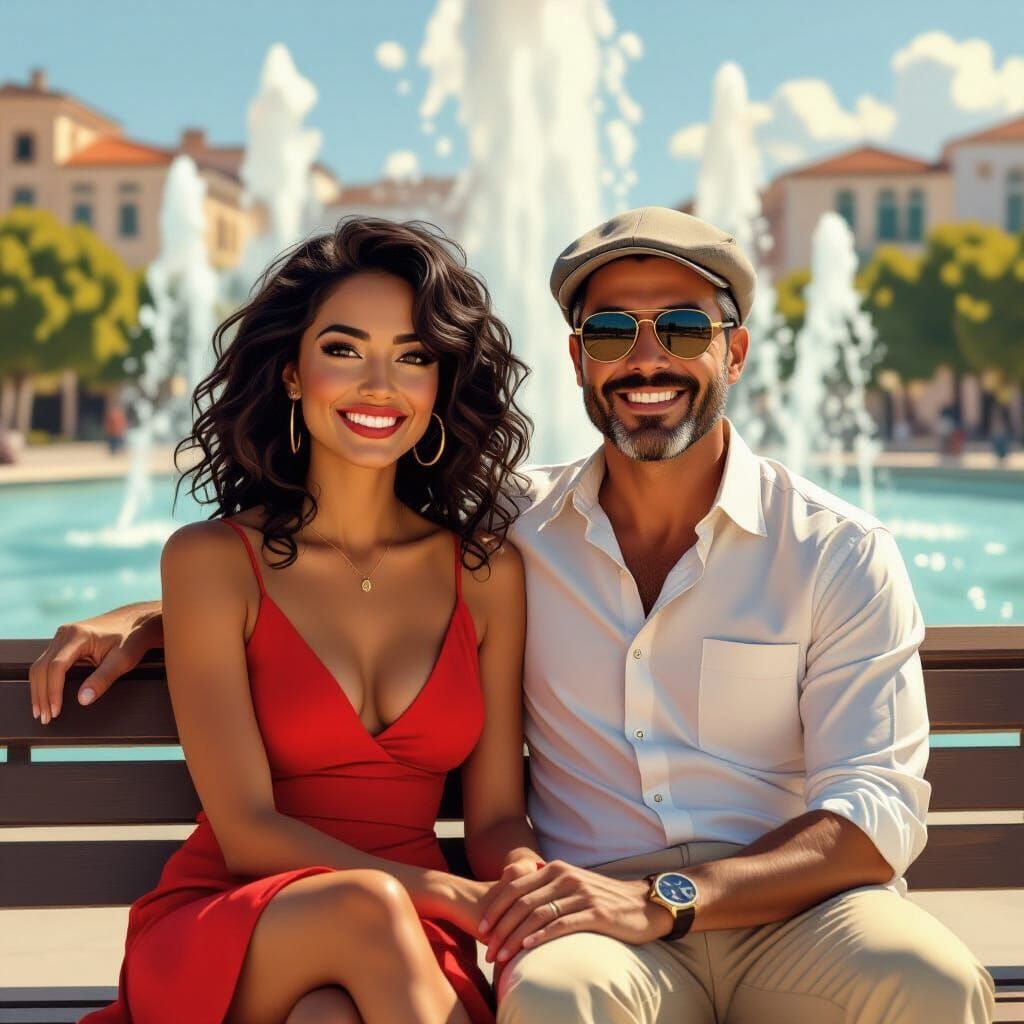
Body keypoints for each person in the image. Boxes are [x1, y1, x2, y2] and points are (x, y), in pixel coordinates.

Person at [31, 208, 994, 1023]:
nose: (647, 357)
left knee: (932, 977)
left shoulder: (829, 549)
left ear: (734, 350)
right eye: (614, 331)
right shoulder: (517, 531)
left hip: (784, 901)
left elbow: (876, 809)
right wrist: (160, 613)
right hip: (512, 911)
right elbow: (294, 584)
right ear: (579, 359)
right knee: (540, 994)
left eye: (685, 329)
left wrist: (643, 899)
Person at [35, 217, 541, 1024]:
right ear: (294, 375)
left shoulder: (486, 575)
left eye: (412, 357)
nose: (380, 384)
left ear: (439, 384)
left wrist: (525, 892)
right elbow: (247, 833)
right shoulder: (211, 562)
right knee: (366, 911)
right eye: (345, 350)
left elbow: (495, 816)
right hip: (239, 916)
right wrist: (445, 892)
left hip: (414, 933)